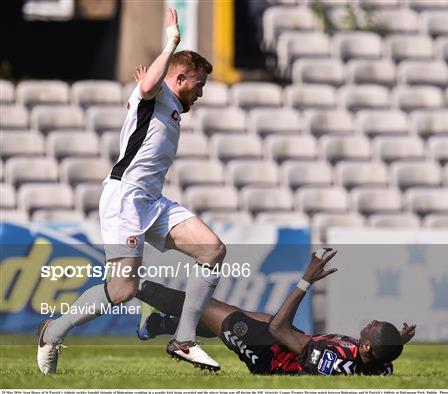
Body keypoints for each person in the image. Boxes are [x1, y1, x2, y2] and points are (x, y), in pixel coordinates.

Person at [37, 8, 223, 374]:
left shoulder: (166, 105)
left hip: (152, 201)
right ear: (181, 77)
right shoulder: (153, 95)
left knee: (213, 249)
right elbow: (151, 86)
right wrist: (171, 42)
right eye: (198, 84)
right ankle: (53, 331)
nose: (200, 93)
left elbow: (153, 85)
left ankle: (184, 340)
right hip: (125, 198)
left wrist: (152, 78)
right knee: (122, 289)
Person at [135, 248, 416, 375]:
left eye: (373, 328)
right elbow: (376, 360)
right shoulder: (383, 366)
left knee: (204, 305)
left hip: (269, 353)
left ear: (366, 345)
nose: (372, 322)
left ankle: (135, 287)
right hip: (287, 342)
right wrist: (394, 344)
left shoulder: (331, 359)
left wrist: (305, 280)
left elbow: (277, 330)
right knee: (229, 314)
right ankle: (159, 324)